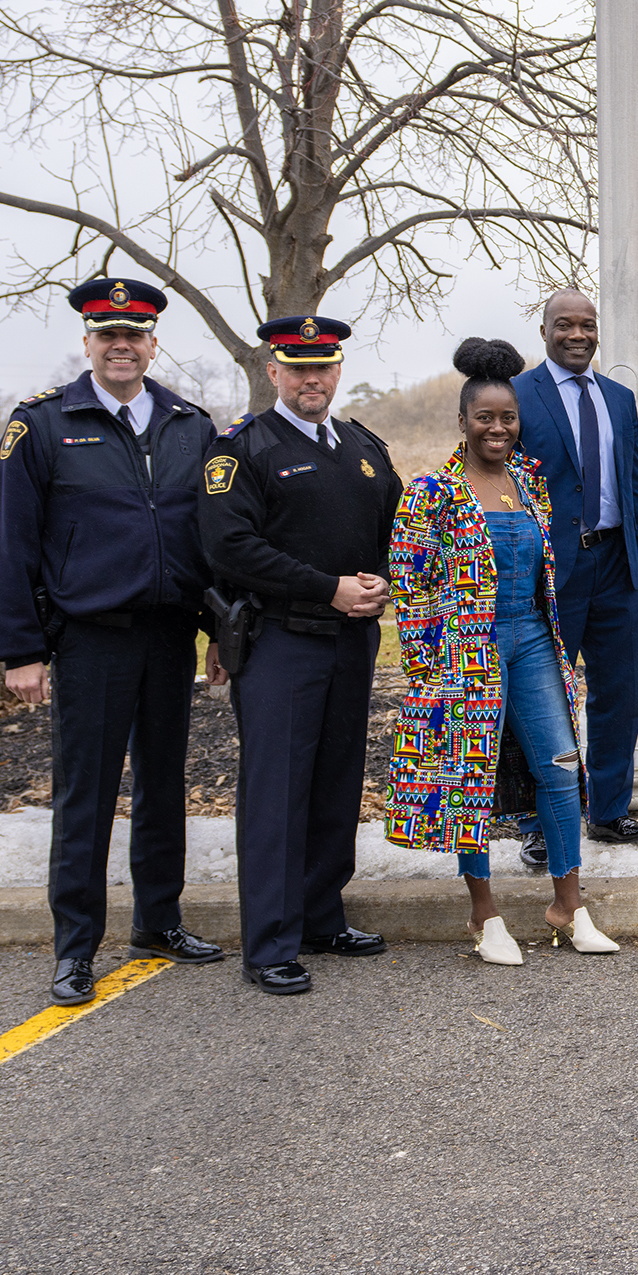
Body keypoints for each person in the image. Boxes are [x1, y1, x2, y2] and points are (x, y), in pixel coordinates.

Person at [0, 278, 225, 1006]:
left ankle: (158, 922)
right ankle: (75, 947)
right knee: (85, 796)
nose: (122, 345)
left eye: (136, 334)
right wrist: (20, 649)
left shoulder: (190, 425)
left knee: (163, 786)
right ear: (87, 342)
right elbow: (7, 542)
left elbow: (210, 541)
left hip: (170, 636)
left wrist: (219, 631)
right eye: (107, 333)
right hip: (91, 639)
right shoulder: (44, 425)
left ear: (154, 343)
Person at [386, 339, 619, 960]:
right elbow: (407, 585)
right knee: (471, 779)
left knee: (561, 769)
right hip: (466, 651)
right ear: (462, 421)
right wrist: (428, 668)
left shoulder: (530, 484)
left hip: (534, 641)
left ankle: (568, 904)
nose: (498, 428)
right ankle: (484, 914)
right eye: (484, 417)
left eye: (507, 417)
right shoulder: (430, 491)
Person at [197, 315, 403, 995]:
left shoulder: (363, 446)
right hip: (281, 641)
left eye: (324, 367)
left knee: (335, 785)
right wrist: (328, 588)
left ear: (338, 371)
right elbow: (231, 548)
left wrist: (380, 576)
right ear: (273, 373)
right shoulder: (244, 449)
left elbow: (393, 530)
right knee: (278, 794)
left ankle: (321, 916)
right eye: (298, 367)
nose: (313, 379)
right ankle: (270, 944)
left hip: (351, 640)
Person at [512, 288, 638, 856]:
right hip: (547, 574)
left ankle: (608, 812)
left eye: (588, 326)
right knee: (540, 699)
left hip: (615, 568)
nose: (578, 335)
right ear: (545, 331)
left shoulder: (620, 400)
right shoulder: (520, 396)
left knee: (618, 696)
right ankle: (538, 827)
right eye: (565, 325)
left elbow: (633, 487)